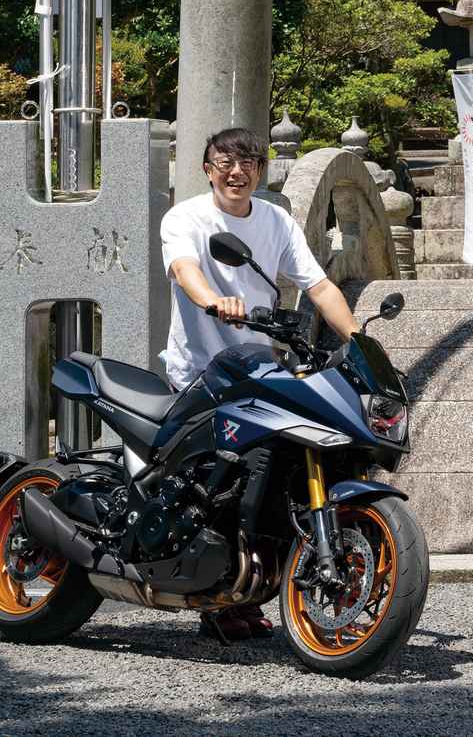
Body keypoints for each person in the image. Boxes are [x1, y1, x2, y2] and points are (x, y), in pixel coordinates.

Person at [160, 127, 360, 640]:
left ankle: (244, 585)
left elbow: (317, 285)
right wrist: (212, 300)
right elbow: (184, 268)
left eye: (248, 162)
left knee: (273, 470)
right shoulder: (187, 218)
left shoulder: (276, 220)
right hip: (202, 370)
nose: (236, 171)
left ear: (261, 171)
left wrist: (360, 341)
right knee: (221, 481)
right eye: (225, 161)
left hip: (257, 368)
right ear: (207, 169)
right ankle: (211, 591)